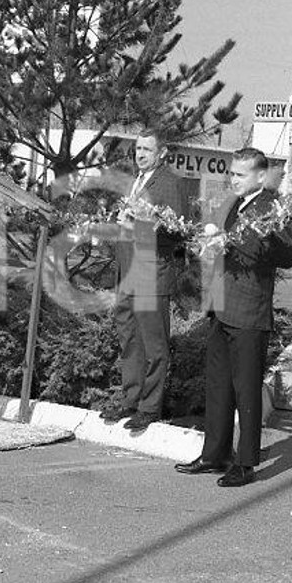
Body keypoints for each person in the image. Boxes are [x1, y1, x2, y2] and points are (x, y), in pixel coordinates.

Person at [175, 147, 292, 486]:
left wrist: (256, 237)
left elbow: (286, 256)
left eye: (241, 174)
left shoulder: (271, 208)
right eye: (232, 173)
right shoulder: (237, 204)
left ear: (261, 176)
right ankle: (215, 454)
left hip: (248, 312)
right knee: (218, 386)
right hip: (222, 306)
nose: (234, 179)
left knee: (246, 392)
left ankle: (245, 463)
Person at [104, 130, 187, 432]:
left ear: (161, 153)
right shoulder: (136, 181)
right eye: (138, 149)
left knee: (153, 345)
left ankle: (150, 407)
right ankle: (131, 400)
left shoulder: (170, 183)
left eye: (147, 150)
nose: (140, 154)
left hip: (151, 275)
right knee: (129, 340)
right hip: (127, 273)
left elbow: (176, 232)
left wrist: (136, 224)